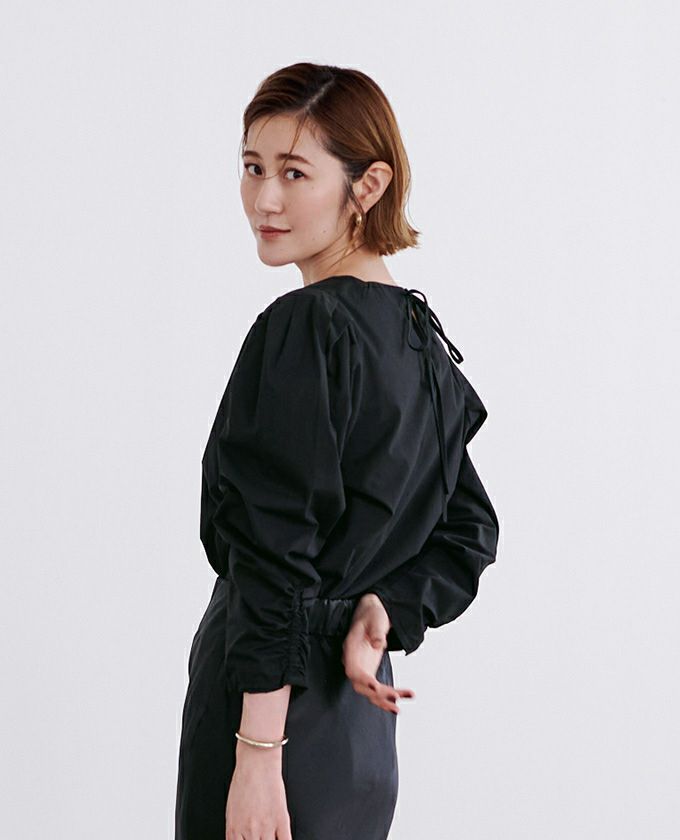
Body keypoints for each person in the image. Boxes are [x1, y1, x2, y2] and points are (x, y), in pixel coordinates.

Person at [175, 62, 499, 840]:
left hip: (272, 717)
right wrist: (381, 612)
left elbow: (272, 551)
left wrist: (258, 756)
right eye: (252, 167)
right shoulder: (417, 339)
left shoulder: (304, 328)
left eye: (294, 172)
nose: (265, 199)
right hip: (357, 731)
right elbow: (468, 531)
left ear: (368, 185)